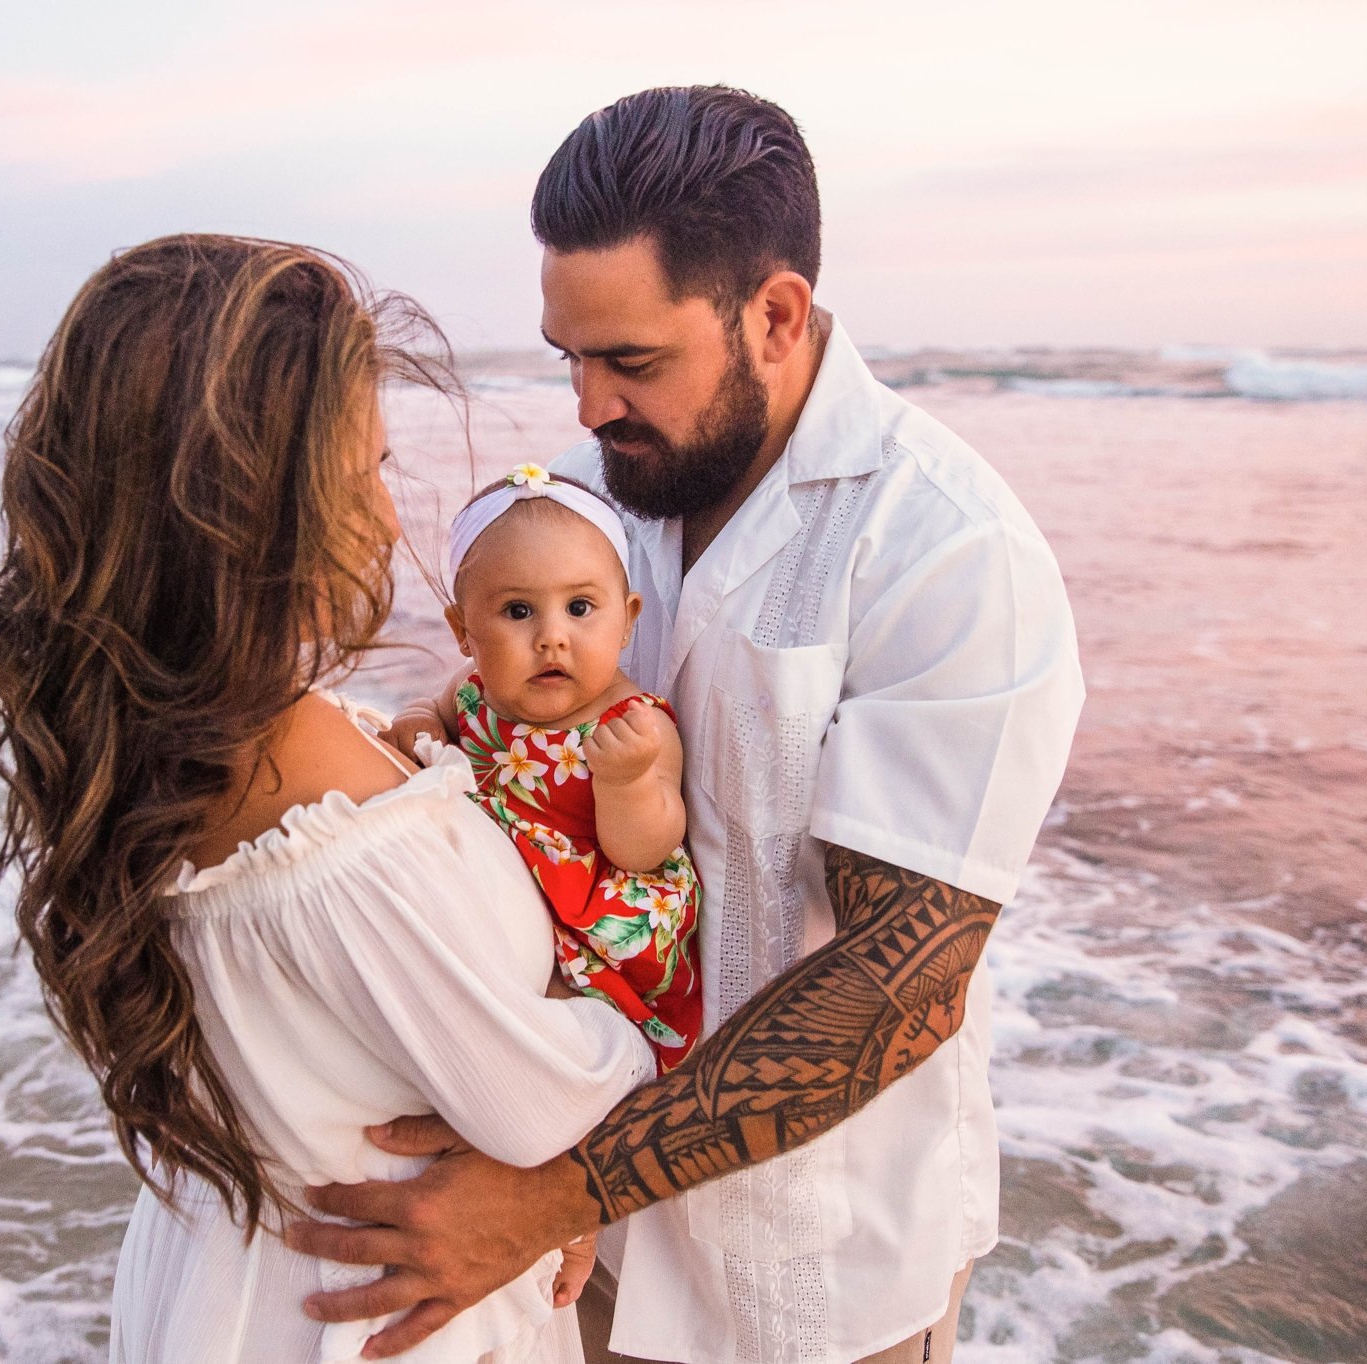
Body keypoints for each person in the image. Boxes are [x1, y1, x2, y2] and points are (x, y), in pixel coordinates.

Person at [291, 86, 1087, 1364]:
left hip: (807, 1280)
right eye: (570, 355)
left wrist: (555, 1190)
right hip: (568, 1248)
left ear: (772, 315)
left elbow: (900, 986)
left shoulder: (946, 547)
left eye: (631, 361)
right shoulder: (600, 503)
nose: (589, 402)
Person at [0, 233, 656, 1362]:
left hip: (226, 1277)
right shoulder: (339, 843)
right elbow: (538, 1106)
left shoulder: (148, 735)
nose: (388, 521)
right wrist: (641, 1029)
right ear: (240, 512)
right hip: (371, 1316)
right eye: (360, 475)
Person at [391, 463, 704, 1069]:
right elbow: (433, 707)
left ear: (627, 619)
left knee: (563, 1022)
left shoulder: (636, 727)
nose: (551, 637)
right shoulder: (476, 691)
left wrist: (627, 782)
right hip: (506, 896)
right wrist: (419, 719)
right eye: (517, 612)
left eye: (581, 607)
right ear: (463, 630)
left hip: (599, 922)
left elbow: (646, 851)